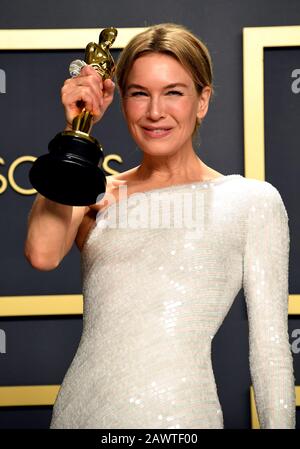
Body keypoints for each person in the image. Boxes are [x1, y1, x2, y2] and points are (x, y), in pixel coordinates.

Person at [24, 23, 295, 429]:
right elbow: (42, 255)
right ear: (121, 101)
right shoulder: (96, 192)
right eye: (139, 94)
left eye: (174, 93)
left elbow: (271, 350)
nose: (155, 112)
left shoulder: (250, 201)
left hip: (182, 418)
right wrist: (75, 131)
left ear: (202, 100)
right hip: (79, 413)